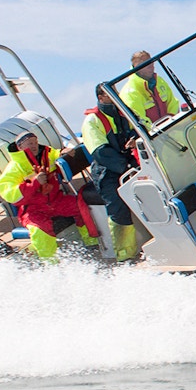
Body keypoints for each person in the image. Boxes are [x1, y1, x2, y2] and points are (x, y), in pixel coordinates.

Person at [0, 131, 97, 261]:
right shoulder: (14, 169)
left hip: (56, 201)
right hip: (33, 209)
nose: (34, 146)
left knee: (81, 207)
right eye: (29, 143)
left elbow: (56, 153)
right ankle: (50, 264)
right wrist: (34, 183)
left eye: (35, 142)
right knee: (40, 231)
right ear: (20, 147)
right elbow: (11, 195)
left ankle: (92, 243)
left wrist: (64, 152)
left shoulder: (47, 154)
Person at [82, 86, 141, 261]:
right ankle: (126, 256)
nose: (116, 95)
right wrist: (126, 167)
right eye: (110, 93)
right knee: (118, 208)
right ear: (101, 97)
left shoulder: (124, 113)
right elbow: (100, 152)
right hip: (107, 172)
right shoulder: (92, 121)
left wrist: (134, 142)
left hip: (130, 163)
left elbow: (139, 129)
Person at [120, 50, 180, 127]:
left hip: (173, 128)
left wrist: (172, 121)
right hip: (153, 136)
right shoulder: (129, 92)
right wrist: (160, 130)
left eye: (151, 62)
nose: (151, 66)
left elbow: (173, 102)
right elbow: (140, 121)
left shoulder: (159, 81)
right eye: (146, 64)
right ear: (137, 67)